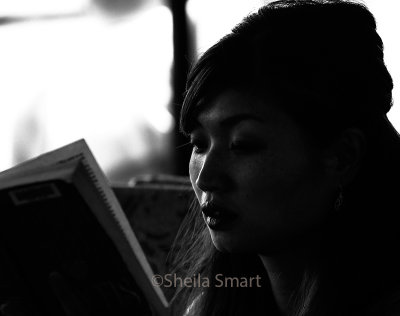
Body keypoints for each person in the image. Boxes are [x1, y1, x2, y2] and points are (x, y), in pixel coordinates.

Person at [170, 0, 400, 315]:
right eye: (199, 144)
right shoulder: (207, 307)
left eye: (243, 144)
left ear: (343, 156)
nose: (205, 177)